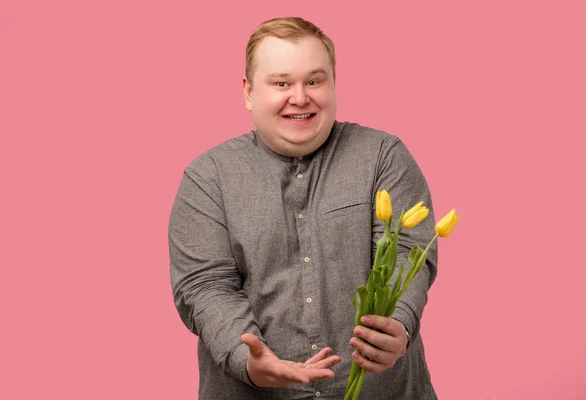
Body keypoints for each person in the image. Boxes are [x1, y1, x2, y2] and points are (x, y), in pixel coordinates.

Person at [169, 16, 438, 399]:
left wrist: (398, 322)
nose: (300, 97)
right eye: (281, 83)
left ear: (332, 82)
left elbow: (409, 252)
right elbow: (206, 286)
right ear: (248, 92)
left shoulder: (383, 156)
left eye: (314, 81)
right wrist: (246, 357)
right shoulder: (207, 178)